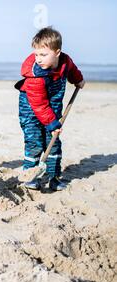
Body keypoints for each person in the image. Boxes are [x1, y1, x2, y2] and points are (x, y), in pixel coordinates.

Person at [15, 27, 85, 191]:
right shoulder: (35, 76)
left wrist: (78, 80)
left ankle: (54, 177)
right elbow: (39, 104)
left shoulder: (65, 62)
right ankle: (30, 176)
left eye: (43, 55)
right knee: (35, 142)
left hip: (52, 109)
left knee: (53, 143)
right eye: (36, 54)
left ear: (57, 52)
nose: (38, 59)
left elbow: (72, 70)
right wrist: (52, 124)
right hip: (31, 111)